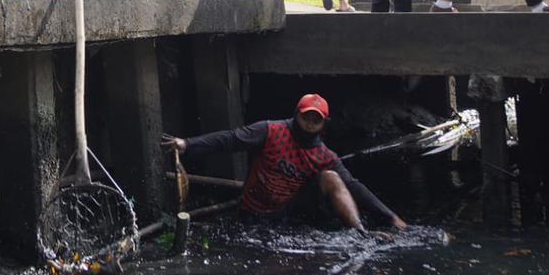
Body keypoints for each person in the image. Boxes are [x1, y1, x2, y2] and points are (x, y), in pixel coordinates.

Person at [161, 94, 407, 233]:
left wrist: (390, 216)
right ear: (296, 115)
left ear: (324, 124)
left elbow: (354, 186)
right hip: (254, 213)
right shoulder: (270, 131)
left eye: (316, 120)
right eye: (305, 117)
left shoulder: (325, 155)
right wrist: (189, 144)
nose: (309, 124)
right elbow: (230, 139)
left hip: (289, 212)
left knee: (333, 177)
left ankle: (359, 232)